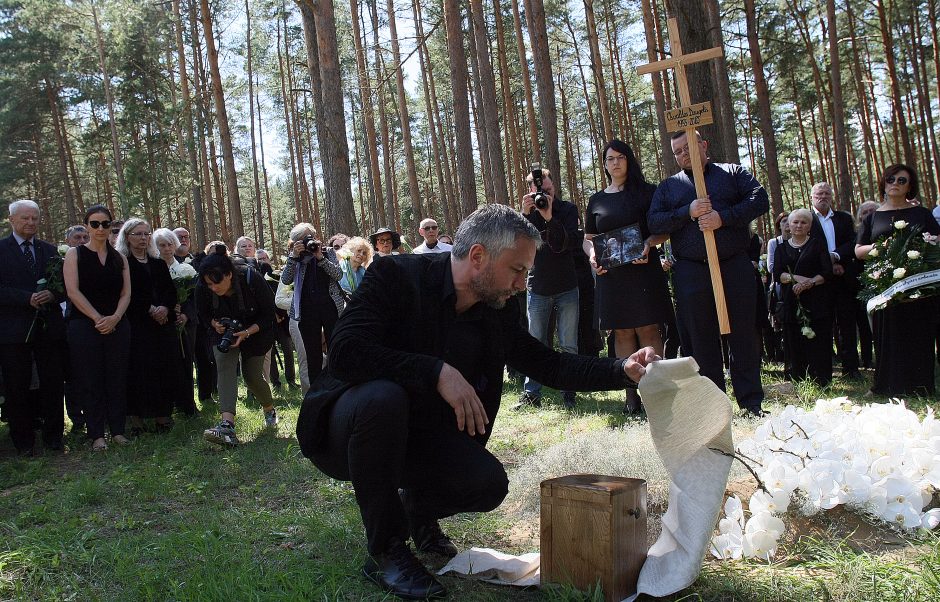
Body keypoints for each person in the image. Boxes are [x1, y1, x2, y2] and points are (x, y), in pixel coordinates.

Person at [295, 204, 658, 600]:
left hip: (417, 438)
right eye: (517, 270)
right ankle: (386, 550)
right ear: (479, 256)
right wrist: (436, 372)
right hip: (346, 430)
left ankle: (415, 510)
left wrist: (621, 369)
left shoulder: (495, 309)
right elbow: (346, 352)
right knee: (384, 398)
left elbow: (546, 364)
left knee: (487, 485)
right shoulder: (395, 275)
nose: (522, 284)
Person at [648, 131, 769, 415]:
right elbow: (654, 222)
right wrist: (686, 212)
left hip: (734, 264)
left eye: (687, 148)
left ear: (703, 145)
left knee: (743, 333)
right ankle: (713, 406)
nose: (682, 155)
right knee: (700, 337)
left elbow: (759, 199)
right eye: (676, 152)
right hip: (691, 270)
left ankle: (751, 402)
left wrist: (722, 217)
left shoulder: (732, 173)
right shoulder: (669, 187)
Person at [585, 139, 671, 414]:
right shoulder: (596, 200)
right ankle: (631, 399)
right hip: (611, 276)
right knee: (621, 332)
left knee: (648, 330)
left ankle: (656, 396)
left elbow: (664, 230)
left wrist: (649, 244)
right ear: (605, 165)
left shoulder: (648, 193)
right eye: (610, 159)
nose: (615, 162)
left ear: (629, 160)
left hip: (643, 272)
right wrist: (592, 255)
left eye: (621, 157)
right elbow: (588, 238)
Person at [856, 164, 940, 396]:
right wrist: (880, 248)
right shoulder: (872, 217)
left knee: (919, 333)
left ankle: (920, 385)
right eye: (891, 179)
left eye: (902, 180)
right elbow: (858, 251)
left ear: (910, 186)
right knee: (888, 335)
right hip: (885, 287)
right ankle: (885, 385)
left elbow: (936, 241)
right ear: (883, 182)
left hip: (919, 285)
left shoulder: (922, 214)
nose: (895, 183)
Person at [0, 200, 67, 455]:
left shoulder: (50, 251)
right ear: (12, 220)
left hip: (48, 330)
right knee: (17, 386)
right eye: (25, 218)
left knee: (52, 383)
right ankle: (24, 442)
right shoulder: (1, 250)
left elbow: (64, 287)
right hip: (13, 332)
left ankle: (54, 438)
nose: (30, 223)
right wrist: (25, 298)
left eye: (34, 218)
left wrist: (51, 294)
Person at [63, 205, 132, 451]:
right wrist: (97, 318)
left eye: (106, 224)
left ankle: (117, 431)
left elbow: (126, 293)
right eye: (95, 224)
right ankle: (96, 434)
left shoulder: (119, 257)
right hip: (84, 325)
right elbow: (73, 291)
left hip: (117, 325)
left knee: (116, 378)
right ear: (87, 226)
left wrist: (114, 318)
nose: (100, 229)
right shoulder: (75, 255)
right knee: (90, 379)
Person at [196, 245, 279, 445]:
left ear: (229, 275)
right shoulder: (203, 286)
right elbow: (203, 314)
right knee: (224, 366)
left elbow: (270, 315)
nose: (213, 288)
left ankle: (269, 409)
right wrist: (213, 324)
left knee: (252, 378)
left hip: (256, 331)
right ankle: (227, 426)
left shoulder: (251, 278)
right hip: (223, 333)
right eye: (208, 284)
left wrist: (247, 332)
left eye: (216, 283)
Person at [516, 167, 581, 410]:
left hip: (567, 285)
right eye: (537, 186)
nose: (544, 190)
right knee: (535, 342)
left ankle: (570, 391)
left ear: (553, 183)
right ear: (531, 190)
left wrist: (550, 216)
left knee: (568, 343)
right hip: (538, 287)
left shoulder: (567, 209)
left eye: (547, 185)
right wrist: (525, 214)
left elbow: (568, 243)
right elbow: (518, 244)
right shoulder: (528, 214)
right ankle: (531, 393)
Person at [116, 219, 179, 432]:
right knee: (138, 371)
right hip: (137, 325)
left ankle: (163, 415)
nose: (143, 238)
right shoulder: (122, 263)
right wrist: (150, 309)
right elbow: (126, 294)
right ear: (127, 237)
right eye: (137, 234)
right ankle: (136, 419)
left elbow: (170, 292)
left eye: (146, 234)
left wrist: (164, 309)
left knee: (164, 369)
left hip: (162, 325)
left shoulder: (158, 263)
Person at [772, 209, 833, 385]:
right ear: (788, 226)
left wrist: (810, 283)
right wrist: (798, 279)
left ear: (810, 226)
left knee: (818, 341)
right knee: (794, 340)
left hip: (817, 302)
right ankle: (797, 379)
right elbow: (778, 275)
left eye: (803, 222)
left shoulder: (817, 244)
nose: (799, 225)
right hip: (792, 302)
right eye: (795, 222)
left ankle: (821, 380)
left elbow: (827, 272)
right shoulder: (780, 248)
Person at [809, 182, 861, 379]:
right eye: (819, 194)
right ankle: (823, 370)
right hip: (819, 281)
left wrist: (837, 257)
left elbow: (852, 243)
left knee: (847, 324)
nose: (823, 197)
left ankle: (851, 368)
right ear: (811, 197)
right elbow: (808, 247)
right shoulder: (806, 220)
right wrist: (828, 265)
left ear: (832, 197)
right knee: (822, 325)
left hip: (843, 278)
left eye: (826, 194)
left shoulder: (843, 219)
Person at [280, 223, 344, 385]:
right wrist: (294, 257)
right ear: (295, 243)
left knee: (335, 349)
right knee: (312, 354)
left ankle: (338, 384)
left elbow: (338, 275)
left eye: (309, 237)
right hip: (307, 311)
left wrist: (320, 258)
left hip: (330, 308)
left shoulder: (327, 252)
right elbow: (286, 279)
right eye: (301, 240)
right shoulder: (294, 257)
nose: (307, 242)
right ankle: (316, 390)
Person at [154, 227, 198, 416]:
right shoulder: (154, 268)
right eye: (161, 245)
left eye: (170, 244)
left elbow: (194, 296)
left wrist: (185, 315)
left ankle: (187, 405)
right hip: (161, 322)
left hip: (185, 324)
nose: (167, 248)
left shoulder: (185, 268)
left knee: (186, 361)